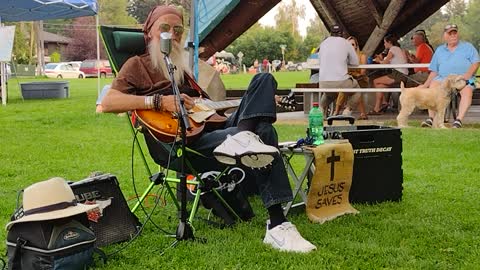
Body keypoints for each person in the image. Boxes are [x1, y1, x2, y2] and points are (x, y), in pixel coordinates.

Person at [101, 5, 315, 253]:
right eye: (165, 28)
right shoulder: (136, 65)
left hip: (211, 129)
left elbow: (207, 110)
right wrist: (158, 101)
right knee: (262, 132)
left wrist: (242, 103)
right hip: (182, 145)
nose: (173, 34)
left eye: (178, 30)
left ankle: (277, 224)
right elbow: (107, 103)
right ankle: (277, 220)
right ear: (149, 33)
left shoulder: (180, 69)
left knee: (263, 82)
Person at [420, 24, 479, 128]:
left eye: (455, 33)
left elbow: (476, 63)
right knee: (432, 86)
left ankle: (459, 120)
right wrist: (425, 85)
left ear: (458, 34)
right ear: (445, 36)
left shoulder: (468, 46)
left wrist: (467, 75)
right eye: (450, 33)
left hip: (462, 78)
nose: (453, 36)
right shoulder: (439, 50)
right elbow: (434, 71)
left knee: (467, 92)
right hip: (443, 78)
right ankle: (431, 118)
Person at [318, 25, 360, 116]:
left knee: (330, 94)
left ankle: (320, 108)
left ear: (330, 33)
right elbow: (355, 62)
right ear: (342, 33)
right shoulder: (345, 43)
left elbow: (319, 60)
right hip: (341, 81)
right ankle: (347, 110)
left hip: (323, 81)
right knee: (357, 90)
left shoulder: (323, 43)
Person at [369, 34, 408, 115]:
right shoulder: (397, 49)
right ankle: (377, 109)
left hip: (398, 74)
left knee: (375, 81)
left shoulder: (393, 49)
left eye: (384, 42)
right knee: (379, 86)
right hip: (401, 74)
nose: (384, 44)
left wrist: (378, 61)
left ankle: (384, 103)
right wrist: (381, 60)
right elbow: (387, 61)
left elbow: (385, 63)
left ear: (389, 42)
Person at [333, 36, 369, 120]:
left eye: (352, 44)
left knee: (352, 86)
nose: (350, 46)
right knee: (347, 87)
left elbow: (363, 72)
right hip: (349, 79)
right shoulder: (343, 57)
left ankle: (337, 112)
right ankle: (362, 114)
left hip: (361, 79)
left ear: (356, 46)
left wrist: (352, 75)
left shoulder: (362, 56)